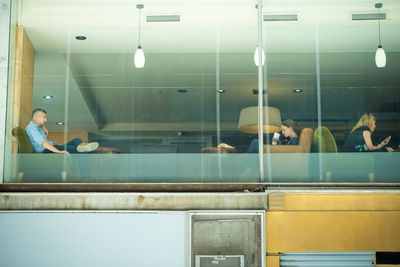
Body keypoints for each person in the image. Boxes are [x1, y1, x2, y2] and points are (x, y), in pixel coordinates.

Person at [25, 108, 99, 155]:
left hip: (49, 148)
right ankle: (83, 147)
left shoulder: (36, 127)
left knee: (76, 140)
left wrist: (43, 128)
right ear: (36, 117)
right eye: (44, 117)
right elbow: (43, 143)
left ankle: (82, 146)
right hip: (46, 151)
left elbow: (42, 139)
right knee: (78, 150)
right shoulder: (31, 128)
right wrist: (58, 151)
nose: (46, 120)